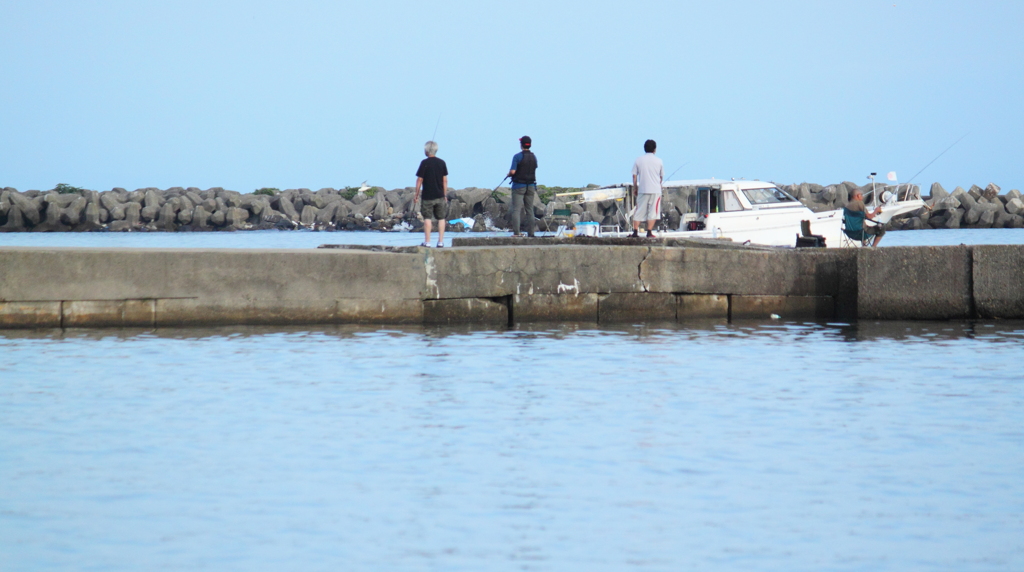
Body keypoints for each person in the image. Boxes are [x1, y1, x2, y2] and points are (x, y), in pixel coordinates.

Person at [414, 140, 448, 247]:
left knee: (427, 218)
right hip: (440, 195)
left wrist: (416, 194)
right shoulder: (442, 163)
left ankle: (427, 242)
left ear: (426, 151)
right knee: (441, 218)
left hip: (427, 196)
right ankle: (441, 242)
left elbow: (420, 180)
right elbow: (445, 180)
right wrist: (445, 195)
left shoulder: (424, 163)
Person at [630, 139, 664, 238]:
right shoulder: (659, 161)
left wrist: (635, 187)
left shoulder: (638, 160)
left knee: (639, 210)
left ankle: (635, 231)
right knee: (653, 212)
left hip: (643, 190)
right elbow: (661, 177)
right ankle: (649, 232)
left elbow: (634, 175)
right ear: (655, 149)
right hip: (655, 190)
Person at [508, 135, 538, 237]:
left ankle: (516, 233)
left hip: (518, 186)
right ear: (530, 145)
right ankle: (531, 233)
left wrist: (508, 174)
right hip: (530, 186)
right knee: (529, 210)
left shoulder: (517, 157)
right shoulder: (534, 157)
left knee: (516, 209)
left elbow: (513, 171)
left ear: (521, 145)